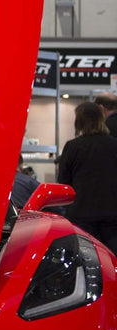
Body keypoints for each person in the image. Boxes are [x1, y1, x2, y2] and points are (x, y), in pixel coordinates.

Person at [58, 101, 117, 255]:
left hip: (81, 214)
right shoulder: (114, 145)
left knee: (85, 259)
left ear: (79, 121)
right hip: (112, 214)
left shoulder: (73, 147)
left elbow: (64, 182)